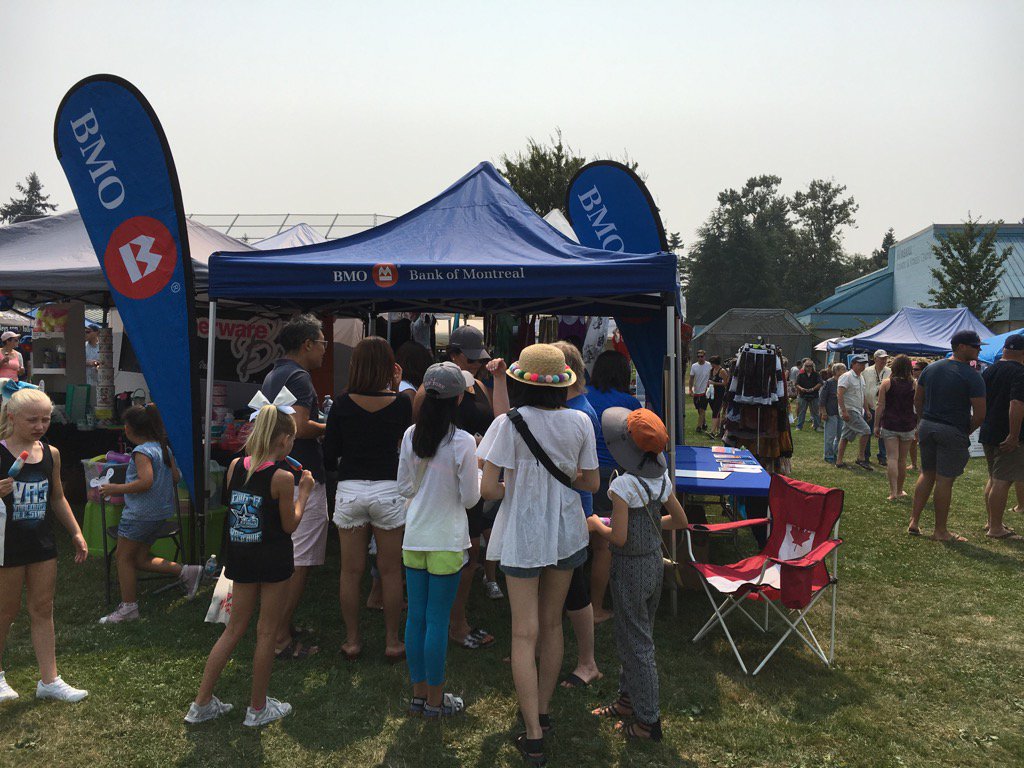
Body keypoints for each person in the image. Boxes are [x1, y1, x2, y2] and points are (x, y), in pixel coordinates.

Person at [478, 344, 599, 766]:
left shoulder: (507, 424)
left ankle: (532, 734)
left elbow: (488, 490)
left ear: (519, 381)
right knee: (552, 625)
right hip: (566, 532)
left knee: (523, 631)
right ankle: (543, 710)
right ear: (562, 383)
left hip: (522, 534)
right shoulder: (581, 420)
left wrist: (521, 488)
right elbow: (591, 484)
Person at [186, 404, 314, 726]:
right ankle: (257, 709)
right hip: (273, 561)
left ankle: (201, 703)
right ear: (284, 440)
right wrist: (305, 494)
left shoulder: (233, 468)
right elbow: (290, 525)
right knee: (267, 632)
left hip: (241, 556)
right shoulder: (284, 478)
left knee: (234, 628)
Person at [589, 407, 688, 742]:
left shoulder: (622, 485)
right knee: (634, 633)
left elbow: (617, 538)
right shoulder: (660, 478)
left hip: (629, 567)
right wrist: (647, 525)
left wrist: (595, 526)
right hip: (653, 564)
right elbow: (680, 521)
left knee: (638, 642)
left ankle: (649, 721)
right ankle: (629, 700)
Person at [415, 323, 508, 649]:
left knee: (468, 556)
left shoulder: (480, 387)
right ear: (452, 354)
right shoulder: (431, 391)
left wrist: (498, 380)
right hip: (444, 490)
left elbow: (503, 423)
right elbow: (418, 438)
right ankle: (451, 623)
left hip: (472, 482)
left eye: (479, 360)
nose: (476, 365)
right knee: (457, 558)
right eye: (470, 360)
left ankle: (453, 620)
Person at [398, 362, 479, 718]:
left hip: (414, 537)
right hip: (447, 540)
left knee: (416, 618)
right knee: (436, 620)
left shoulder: (410, 435)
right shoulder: (462, 441)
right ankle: (435, 701)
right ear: (459, 398)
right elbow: (471, 498)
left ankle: (419, 696)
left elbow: (403, 487)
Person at [0, 384, 89, 704]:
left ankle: (49, 679)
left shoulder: (50, 453)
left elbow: (58, 497)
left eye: (46, 419)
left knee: (43, 608)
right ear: (12, 417)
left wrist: (76, 533)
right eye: (32, 420)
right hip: (5, 544)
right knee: (5, 611)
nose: (40, 426)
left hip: (40, 542)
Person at [326, 336, 412, 662]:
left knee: (350, 571)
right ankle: (392, 641)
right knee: (391, 571)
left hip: (350, 489)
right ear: (389, 368)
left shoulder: (342, 403)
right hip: (389, 490)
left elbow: (329, 453)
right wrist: (394, 383)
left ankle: (352, 640)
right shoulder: (402, 404)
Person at [260, 314, 327, 659]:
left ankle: (279, 628)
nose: (324, 350)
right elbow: (300, 427)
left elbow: (259, 419)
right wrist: (328, 425)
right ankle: (279, 638)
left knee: (287, 553)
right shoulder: (300, 378)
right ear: (307, 345)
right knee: (301, 559)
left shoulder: (274, 374)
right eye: (322, 343)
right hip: (300, 475)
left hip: (275, 471)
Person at [97, 404, 203, 623]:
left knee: (123, 558)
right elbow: (175, 477)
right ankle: (186, 571)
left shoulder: (141, 452)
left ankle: (129, 608)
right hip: (160, 514)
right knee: (140, 557)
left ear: (129, 429)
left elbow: (145, 482)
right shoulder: (163, 448)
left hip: (139, 515)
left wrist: (114, 488)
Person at [552, 340, 602, 689]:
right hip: (559, 511)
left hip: (574, 513)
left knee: (575, 592)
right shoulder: (572, 408)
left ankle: (588, 662)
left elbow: (587, 478)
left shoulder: (580, 413)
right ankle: (543, 646)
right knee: (555, 589)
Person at [908, 331, 986, 542]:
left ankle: (914, 521)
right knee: (944, 480)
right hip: (951, 429)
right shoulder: (972, 375)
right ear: (961, 346)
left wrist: (924, 420)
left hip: (927, 425)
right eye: (975, 346)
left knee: (927, 473)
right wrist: (965, 430)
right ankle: (940, 531)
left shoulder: (931, 368)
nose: (979, 350)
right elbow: (980, 414)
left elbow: (918, 399)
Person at [585, 349, 642, 624]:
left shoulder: (581, 396)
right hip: (613, 479)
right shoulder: (630, 403)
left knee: (572, 545)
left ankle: (568, 602)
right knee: (602, 547)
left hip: (581, 476)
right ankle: (595, 607)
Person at [979, 334, 1024, 540]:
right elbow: (1016, 403)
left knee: (994, 478)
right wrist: (1014, 435)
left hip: (989, 430)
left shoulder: (990, 370)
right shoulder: (1020, 373)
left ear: (1004, 349)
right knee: (1002, 480)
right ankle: (995, 528)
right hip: (1008, 434)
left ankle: (991, 522)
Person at [873, 354, 918, 501]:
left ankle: (892, 492)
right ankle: (900, 490)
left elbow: (880, 406)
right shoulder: (914, 384)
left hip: (890, 424)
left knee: (892, 458)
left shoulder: (886, 383)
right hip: (908, 425)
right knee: (902, 460)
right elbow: (917, 406)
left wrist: (876, 425)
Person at [835, 355, 872, 470]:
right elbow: (839, 394)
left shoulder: (861, 377)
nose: (863, 366)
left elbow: (863, 395)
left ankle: (839, 461)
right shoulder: (846, 376)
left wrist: (867, 409)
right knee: (866, 431)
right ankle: (861, 458)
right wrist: (844, 411)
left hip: (857, 410)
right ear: (853, 364)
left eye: (864, 364)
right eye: (860, 363)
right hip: (850, 410)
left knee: (845, 436)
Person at [863, 350, 891, 467]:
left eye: (885, 358)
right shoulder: (866, 371)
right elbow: (863, 390)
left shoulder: (890, 371)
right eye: (881, 358)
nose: (884, 361)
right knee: (867, 432)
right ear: (875, 359)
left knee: (883, 432)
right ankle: (866, 455)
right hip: (870, 406)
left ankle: (882, 456)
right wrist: (866, 408)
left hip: (884, 407)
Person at [819, 363, 846, 464]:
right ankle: (828, 455)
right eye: (842, 369)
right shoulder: (829, 383)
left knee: (840, 436)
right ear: (836, 371)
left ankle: (835, 453)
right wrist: (823, 412)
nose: (844, 370)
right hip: (831, 413)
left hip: (841, 413)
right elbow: (822, 399)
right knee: (830, 436)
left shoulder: (844, 383)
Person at [909, 360, 929, 470]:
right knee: (913, 440)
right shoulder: (914, 382)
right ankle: (914, 464)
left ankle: (925, 465)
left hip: (923, 415)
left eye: (916, 369)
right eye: (913, 369)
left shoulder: (927, 383)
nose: (913, 371)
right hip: (913, 414)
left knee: (923, 441)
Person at [795, 359, 823, 430]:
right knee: (802, 412)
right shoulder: (800, 375)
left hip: (814, 395)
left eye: (810, 366)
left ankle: (817, 426)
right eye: (807, 366)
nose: (808, 367)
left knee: (815, 412)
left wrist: (813, 389)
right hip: (803, 395)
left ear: (813, 366)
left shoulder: (817, 374)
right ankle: (799, 426)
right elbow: (797, 384)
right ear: (804, 366)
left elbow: (820, 383)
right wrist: (801, 389)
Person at [688, 350, 712, 433]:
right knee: (699, 410)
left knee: (702, 409)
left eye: (701, 356)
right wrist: (690, 390)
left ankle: (698, 427)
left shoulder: (709, 365)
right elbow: (691, 378)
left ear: (704, 356)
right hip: (696, 391)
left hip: (705, 391)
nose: (700, 358)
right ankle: (704, 423)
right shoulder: (694, 366)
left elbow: (712, 374)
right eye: (698, 356)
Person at [707, 355, 730, 438]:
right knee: (716, 412)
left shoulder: (722, 371)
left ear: (716, 363)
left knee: (715, 412)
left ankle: (712, 432)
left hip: (720, 395)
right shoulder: (711, 370)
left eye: (712, 363)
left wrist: (714, 383)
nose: (711, 365)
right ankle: (719, 431)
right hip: (712, 394)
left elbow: (726, 383)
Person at [84, 324, 100, 389]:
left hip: (98, 382)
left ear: (97, 333)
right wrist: (90, 363)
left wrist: (97, 365)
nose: (85, 334)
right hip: (85, 382)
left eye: (88, 332)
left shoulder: (102, 348)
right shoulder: (83, 346)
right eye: (84, 332)